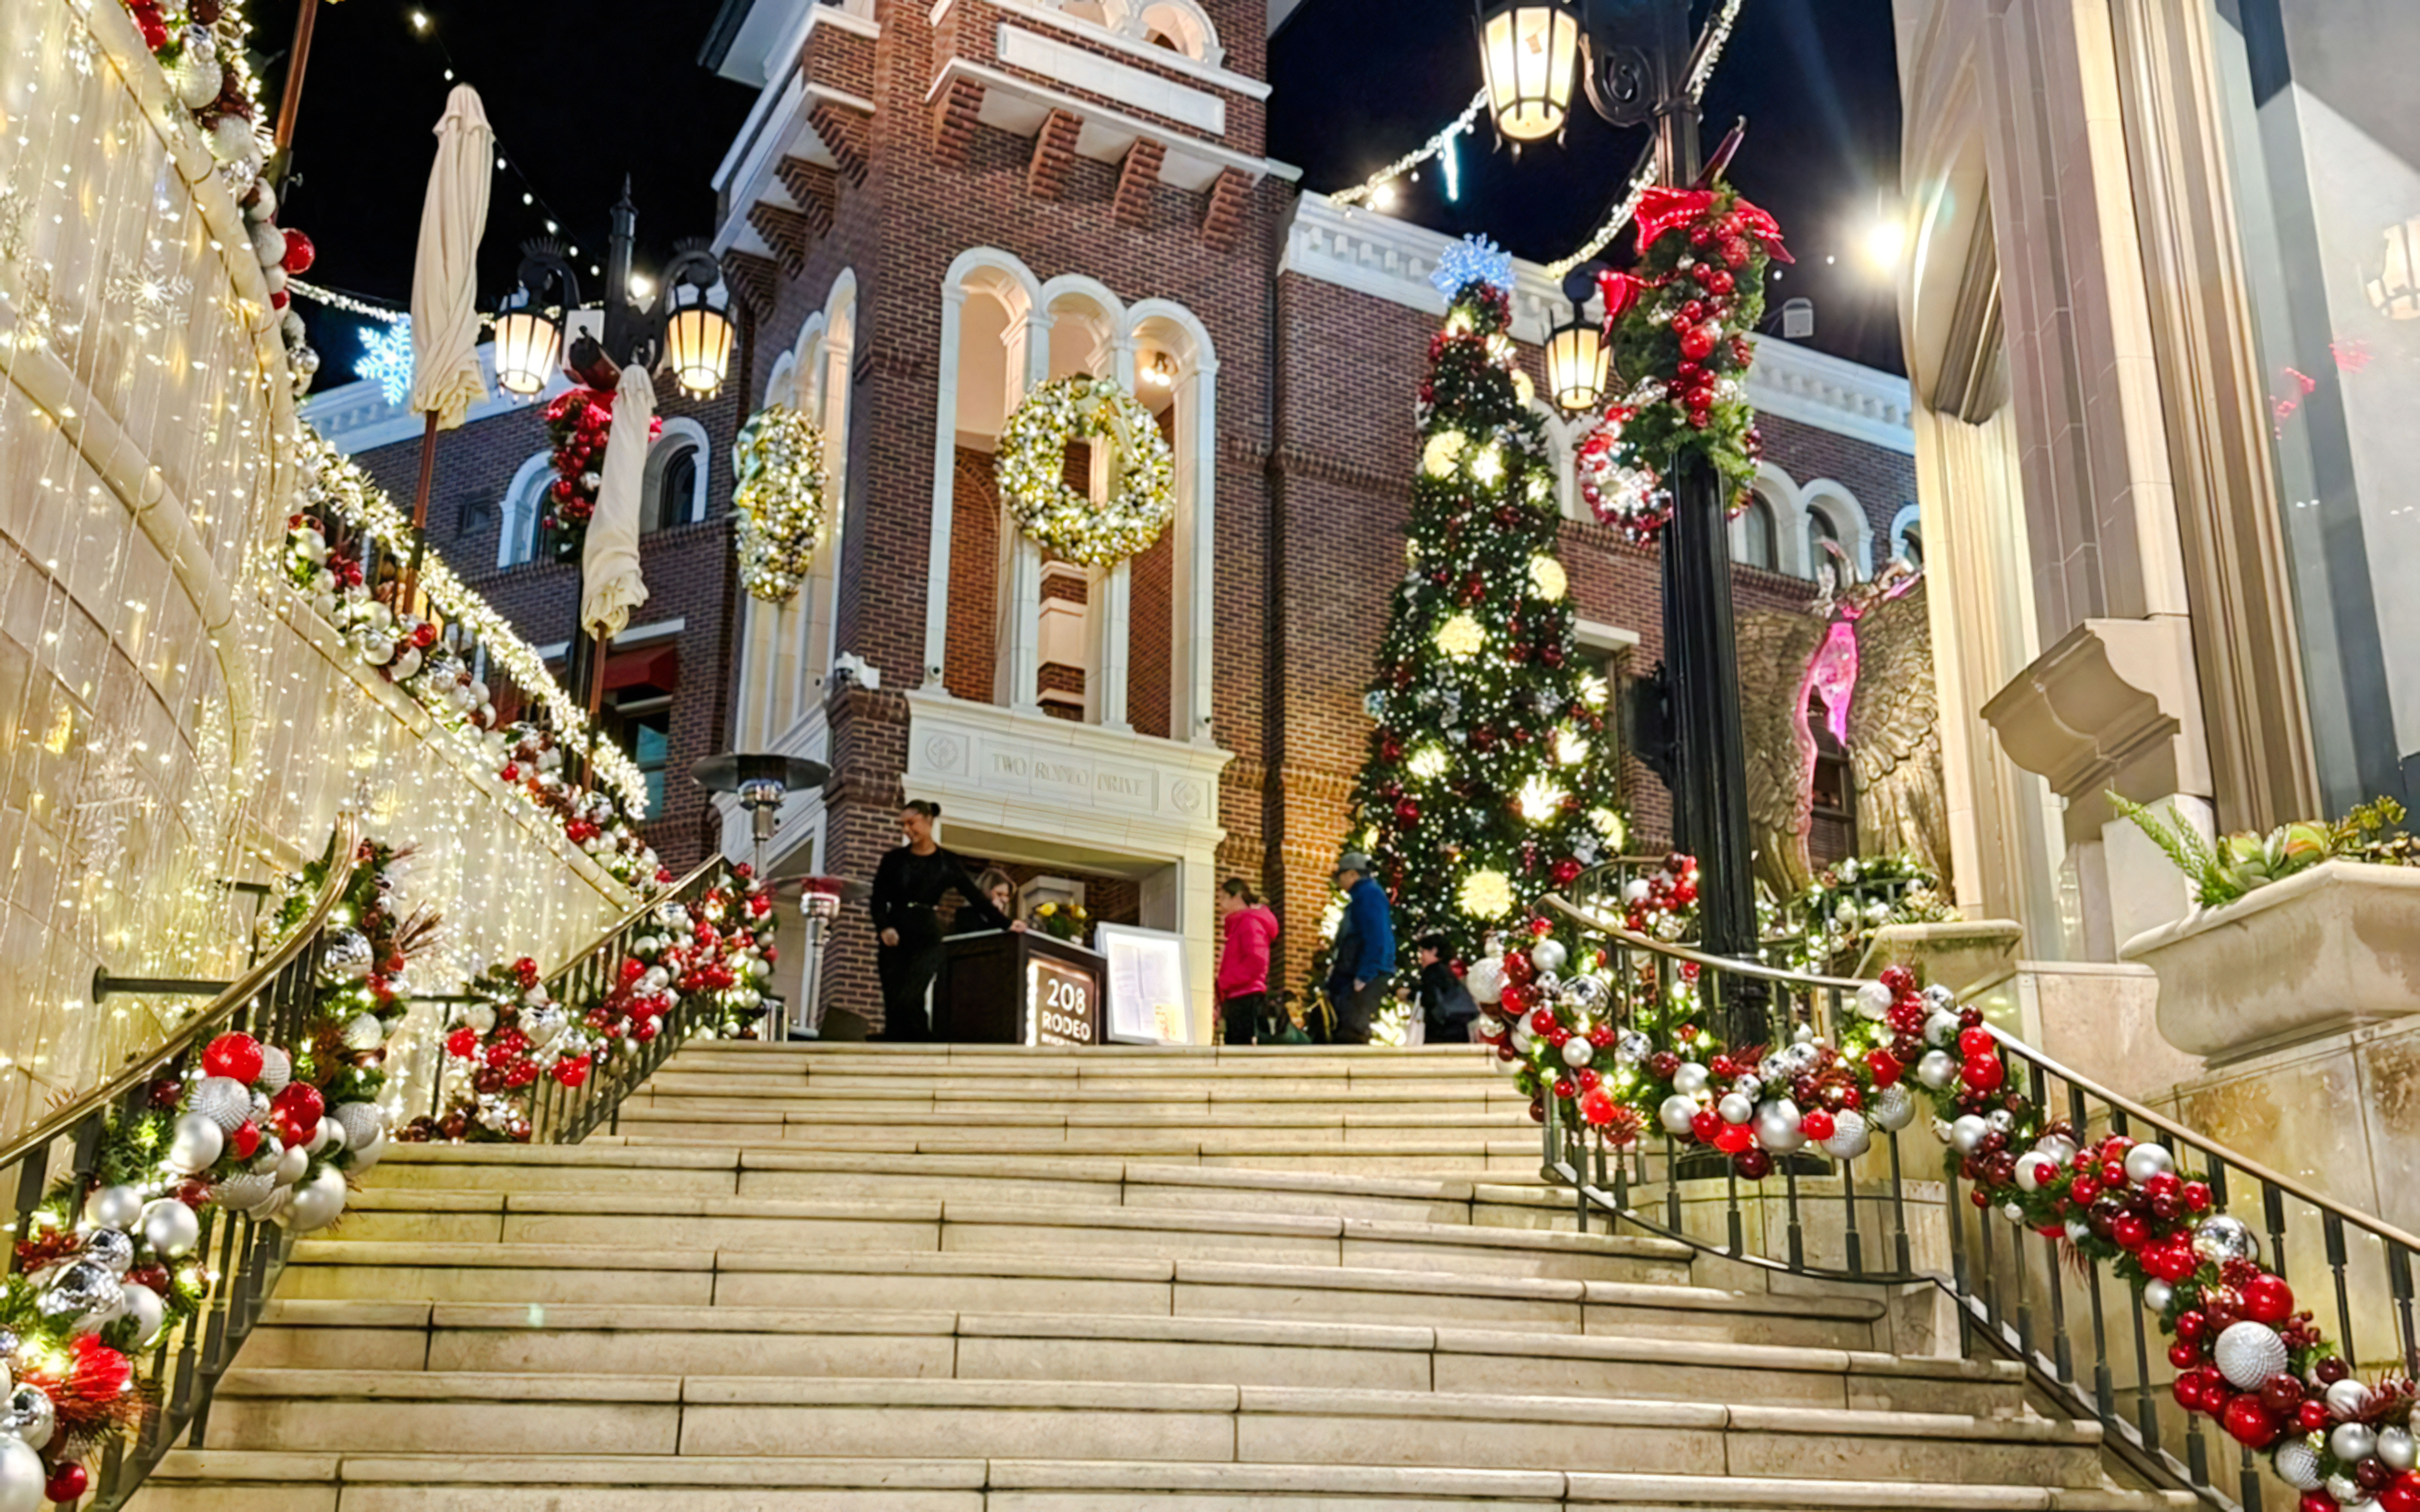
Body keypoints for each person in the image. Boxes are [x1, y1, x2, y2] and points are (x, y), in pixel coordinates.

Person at [869, 801, 1022, 1041]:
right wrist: (884, 926)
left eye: (912, 823)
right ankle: (900, 1046)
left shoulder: (947, 861)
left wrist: (1006, 924)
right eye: (903, 825)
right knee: (893, 998)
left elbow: (974, 895)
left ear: (928, 821)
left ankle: (923, 1043)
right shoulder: (894, 860)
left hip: (926, 932)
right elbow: (878, 898)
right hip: (895, 931)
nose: (907, 830)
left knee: (910, 996)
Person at [1323, 852, 1395, 1046]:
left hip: (1364, 976)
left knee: (1352, 1030)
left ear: (1353, 875)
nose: (1339, 882)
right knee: (1351, 1029)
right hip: (1362, 973)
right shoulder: (1368, 896)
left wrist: (1365, 975)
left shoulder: (1367, 896)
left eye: (1341, 876)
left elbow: (1374, 937)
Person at [1215, 878, 1280, 1046]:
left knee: (1240, 1049)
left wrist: (1226, 981)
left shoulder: (1250, 922)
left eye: (1223, 898)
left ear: (1236, 897)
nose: (1220, 903)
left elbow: (1257, 961)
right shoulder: (1243, 923)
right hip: (1238, 996)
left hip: (1245, 997)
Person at [1411, 931, 1479, 1044]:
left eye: (1423, 951)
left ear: (1434, 950)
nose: (1421, 957)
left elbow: (1429, 999)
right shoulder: (1450, 973)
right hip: (1460, 1032)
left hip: (1440, 1033)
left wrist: (1410, 995)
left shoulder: (1432, 972)